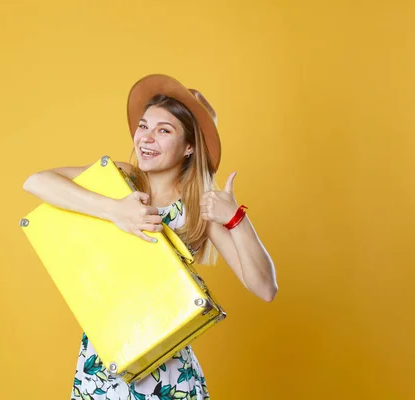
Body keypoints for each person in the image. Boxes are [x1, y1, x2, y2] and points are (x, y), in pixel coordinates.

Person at [23, 74, 278, 400]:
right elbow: (36, 182)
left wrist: (235, 219)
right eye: (144, 126)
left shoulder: (200, 206)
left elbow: (264, 288)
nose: (146, 138)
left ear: (189, 147)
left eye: (164, 130)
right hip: (104, 362)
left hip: (168, 371)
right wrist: (115, 209)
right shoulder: (120, 179)